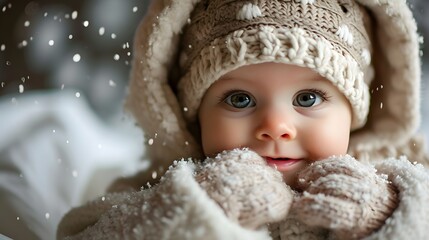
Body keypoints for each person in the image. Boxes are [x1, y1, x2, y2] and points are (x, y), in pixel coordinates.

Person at [57, 0, 429, 239]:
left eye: (308, 98)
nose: (276, 126)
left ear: (354, 113)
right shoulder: (169, 181)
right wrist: (202, 201)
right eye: (240, 99)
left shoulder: (396, 177)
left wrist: (386, 212)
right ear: (194, 117)